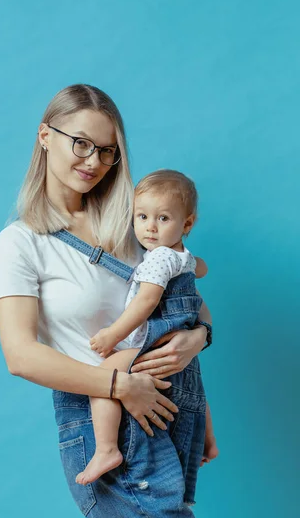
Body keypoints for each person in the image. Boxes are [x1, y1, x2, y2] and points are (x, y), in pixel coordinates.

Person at [0, 84, 213, 517]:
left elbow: (183, 303)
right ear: (45, 136)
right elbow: (20, 355)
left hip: (166, 403)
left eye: (107, 151)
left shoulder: (135, 226)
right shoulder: (20, 242)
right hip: (102, 417)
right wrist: (121, 386)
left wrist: (200, 338)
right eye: (81, 144)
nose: (94, 162)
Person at [76, 169, 218, 492]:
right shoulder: (184, 257)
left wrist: (112, 334)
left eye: (163, 218)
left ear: (187, 224)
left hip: (152, 344)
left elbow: (146, 302)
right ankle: (208, 442)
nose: (150, 227)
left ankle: (106, 449)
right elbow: (203, 269)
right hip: (182, 353)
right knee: (195, 391)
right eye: (142, 216)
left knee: (104, 377)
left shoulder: (158, 259)